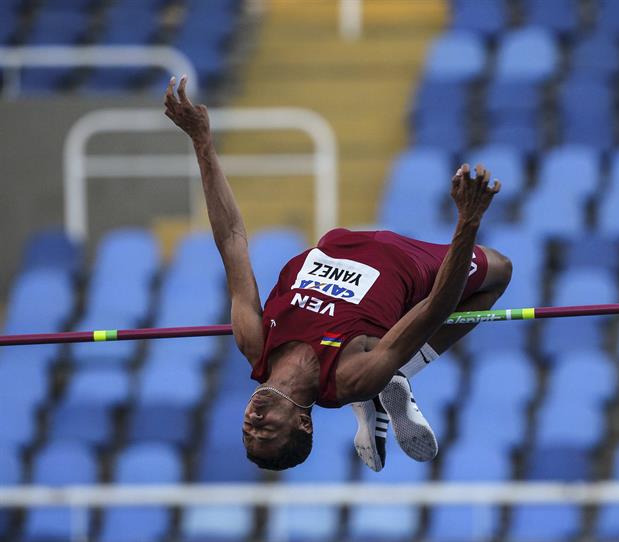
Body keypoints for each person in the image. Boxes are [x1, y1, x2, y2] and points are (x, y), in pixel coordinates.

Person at [164, 75, 512, 471]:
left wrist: (202, 143)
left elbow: (231, 239)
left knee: (386, 362)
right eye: (266, 432)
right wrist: (467, 222)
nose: (254, 422)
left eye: (248, 432)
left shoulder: (255, 343)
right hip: (408, 265)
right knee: (499, 271)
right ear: (303, 423)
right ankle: (393, 376)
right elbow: (435, 308)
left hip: (341, 242)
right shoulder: (349, 379)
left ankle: (392, 380)